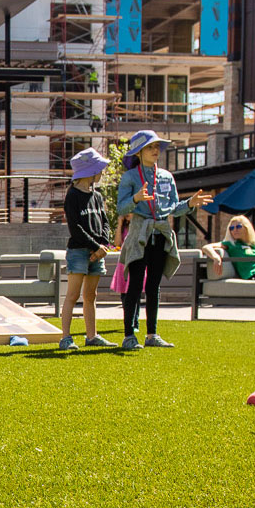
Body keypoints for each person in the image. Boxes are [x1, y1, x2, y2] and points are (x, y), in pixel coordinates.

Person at [116, 129, 212, 350]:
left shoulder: (167, 176)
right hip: (139, 234)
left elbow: (174, 208)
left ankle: (152, 335)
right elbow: (121, 208)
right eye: (150, 147)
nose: (155, 150)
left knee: (154, 285)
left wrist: (190, 204)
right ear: (138, 152)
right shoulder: (130, 177)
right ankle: (129, 336)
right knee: (135, 285)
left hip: (161, 234)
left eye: (157, 146)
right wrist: (136, 198)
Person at [59, 147, 115, 351]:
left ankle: (92, 336)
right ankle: (66, 337)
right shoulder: (72, 195)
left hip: (97, 253)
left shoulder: (97, 196)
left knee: (91, 295)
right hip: (79, 252)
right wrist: (95, 246)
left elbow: (105, 222)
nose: (101, 172)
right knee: (73, 295)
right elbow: (75, 228)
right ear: (89, 171)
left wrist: (103, 245)